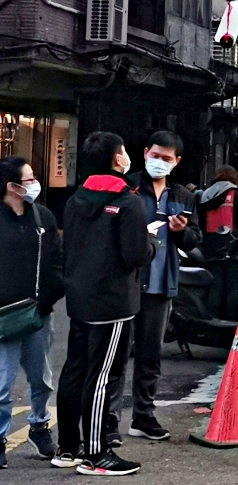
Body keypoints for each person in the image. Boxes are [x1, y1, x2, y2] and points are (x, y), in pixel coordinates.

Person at [56, 132, 155, 476]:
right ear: (117, 160)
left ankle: (68, 447)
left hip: (80, 295)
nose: (127, 157)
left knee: (75, 369)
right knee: (101, 377)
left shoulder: (75, 199)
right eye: (124, 152)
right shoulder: (129, 202)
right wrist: (152, 242)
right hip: (112, 300)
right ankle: (97, 453)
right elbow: (135, 254)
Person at [107, 131, 201, 444]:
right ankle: (109, 422)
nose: (159, 162)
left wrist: (181, 232)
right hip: (127, 283)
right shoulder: (127, 187)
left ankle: (143, 418)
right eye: (155, 156)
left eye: (166, 159)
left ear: (177, 162)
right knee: (118, 356)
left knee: (150, 356)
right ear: (145, 152)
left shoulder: (183, 197)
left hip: (162, 284)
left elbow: (194, 239)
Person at [0, 157, 63, 467]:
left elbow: (56, 259)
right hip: (3, 317)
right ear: (11, 186)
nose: (35, 183)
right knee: (2, 382)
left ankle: (39, 426)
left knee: (41, 378)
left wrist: (51, 295)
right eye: (29, 179)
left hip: (38, 314)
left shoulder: (43, 217)